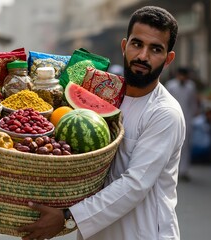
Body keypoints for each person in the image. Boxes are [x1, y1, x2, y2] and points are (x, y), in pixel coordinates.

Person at [18, 6, 185, 240]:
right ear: (124, 46)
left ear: (168, 59)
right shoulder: (104, 94)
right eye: (137, 44)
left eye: (155, 49)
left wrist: (68, 217)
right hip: (97, 233)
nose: (143, 56)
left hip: (142, 233)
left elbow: (135, 184)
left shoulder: (164, 112)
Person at [165, 67, 199, 181]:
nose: (182, 78)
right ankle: (170, 171)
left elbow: (193, 103)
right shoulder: (171, 86)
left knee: (185, 146)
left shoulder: (191, 87)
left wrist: (193, 115)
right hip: (172, 119)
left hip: (187, 119)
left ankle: (183, 171)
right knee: (171, 144)